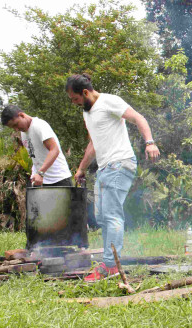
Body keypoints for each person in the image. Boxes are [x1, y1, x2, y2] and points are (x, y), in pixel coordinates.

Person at [65, 73, 160, 282]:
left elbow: (138, 118)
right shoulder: (87, 114)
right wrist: (81, 169)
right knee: (101, 217)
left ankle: (111, 266)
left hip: (120, 164)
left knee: (111, 215)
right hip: (104, 169)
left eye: (75, 99)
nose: (75, 103)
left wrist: (150, 142)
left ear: (85, 92)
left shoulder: (109, 101)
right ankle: (110, 263)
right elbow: (93, 144)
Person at [0, 105, 72, 187]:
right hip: (42, 182)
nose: (16, 129)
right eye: (13, 127)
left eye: (16, 124)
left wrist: (40, 173)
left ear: (22, 115)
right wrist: (34, 174)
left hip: (59, 180)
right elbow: (34, 157)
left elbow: (55, 150)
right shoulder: (24, 134)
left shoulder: (39, 125)